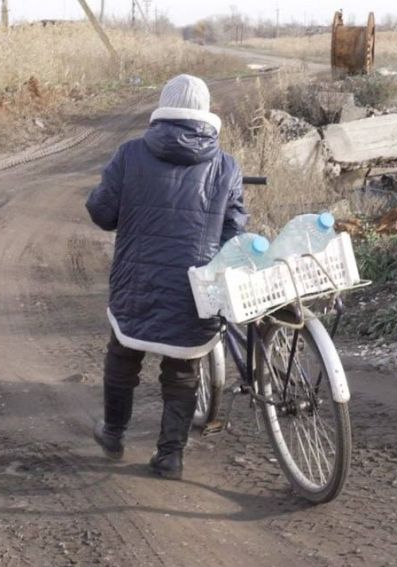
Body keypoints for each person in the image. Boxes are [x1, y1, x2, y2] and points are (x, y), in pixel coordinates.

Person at [85, 74, 246, 480]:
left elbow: (102, 213)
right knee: (182, 370)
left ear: (163, 109)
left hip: (136, 282)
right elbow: (234, 234)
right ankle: (170, 456)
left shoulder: (130, 154)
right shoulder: (226, 166)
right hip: (193, 289)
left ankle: (113, 434)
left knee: (123, 354)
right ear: (205, 114)